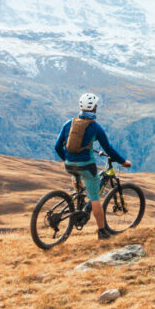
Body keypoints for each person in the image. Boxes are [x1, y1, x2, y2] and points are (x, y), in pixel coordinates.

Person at [54, 92, 132, 240]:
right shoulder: (95, 127)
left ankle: (79, 204)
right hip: (86, 166)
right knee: (95, 197)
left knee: (77, 178)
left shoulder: (69, 123)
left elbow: (57, 147)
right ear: (94, 108)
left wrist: (67, 160)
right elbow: (108, 149)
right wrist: (123, 162)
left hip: (69, 165)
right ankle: (102, 231)